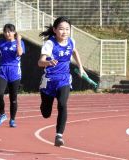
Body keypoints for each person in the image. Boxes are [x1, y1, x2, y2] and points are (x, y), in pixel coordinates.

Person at [38, 16, 86, 147]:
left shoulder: (71, 42)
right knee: (46, 114)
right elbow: (40, 62)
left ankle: (59, 135)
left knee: (62, 104)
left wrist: (81, 67)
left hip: (64, 79)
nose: (64, 32)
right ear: (54, 30)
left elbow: (75, 52)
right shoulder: (50, 44)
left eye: (67, 29)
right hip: (49, 80)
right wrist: (48, 62)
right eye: (61, 29)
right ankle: (44, 102)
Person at [0, 23, 25, 128]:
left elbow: (20, 53)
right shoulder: (0, 43)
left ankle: (12, 119)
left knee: (13, 98)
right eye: (5, 31)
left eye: (9, 31)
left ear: (14, 32)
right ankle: (2, 114)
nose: (7, 33)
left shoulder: (20, 42)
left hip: (15, 73)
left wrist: (18, 40)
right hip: (3, 71)